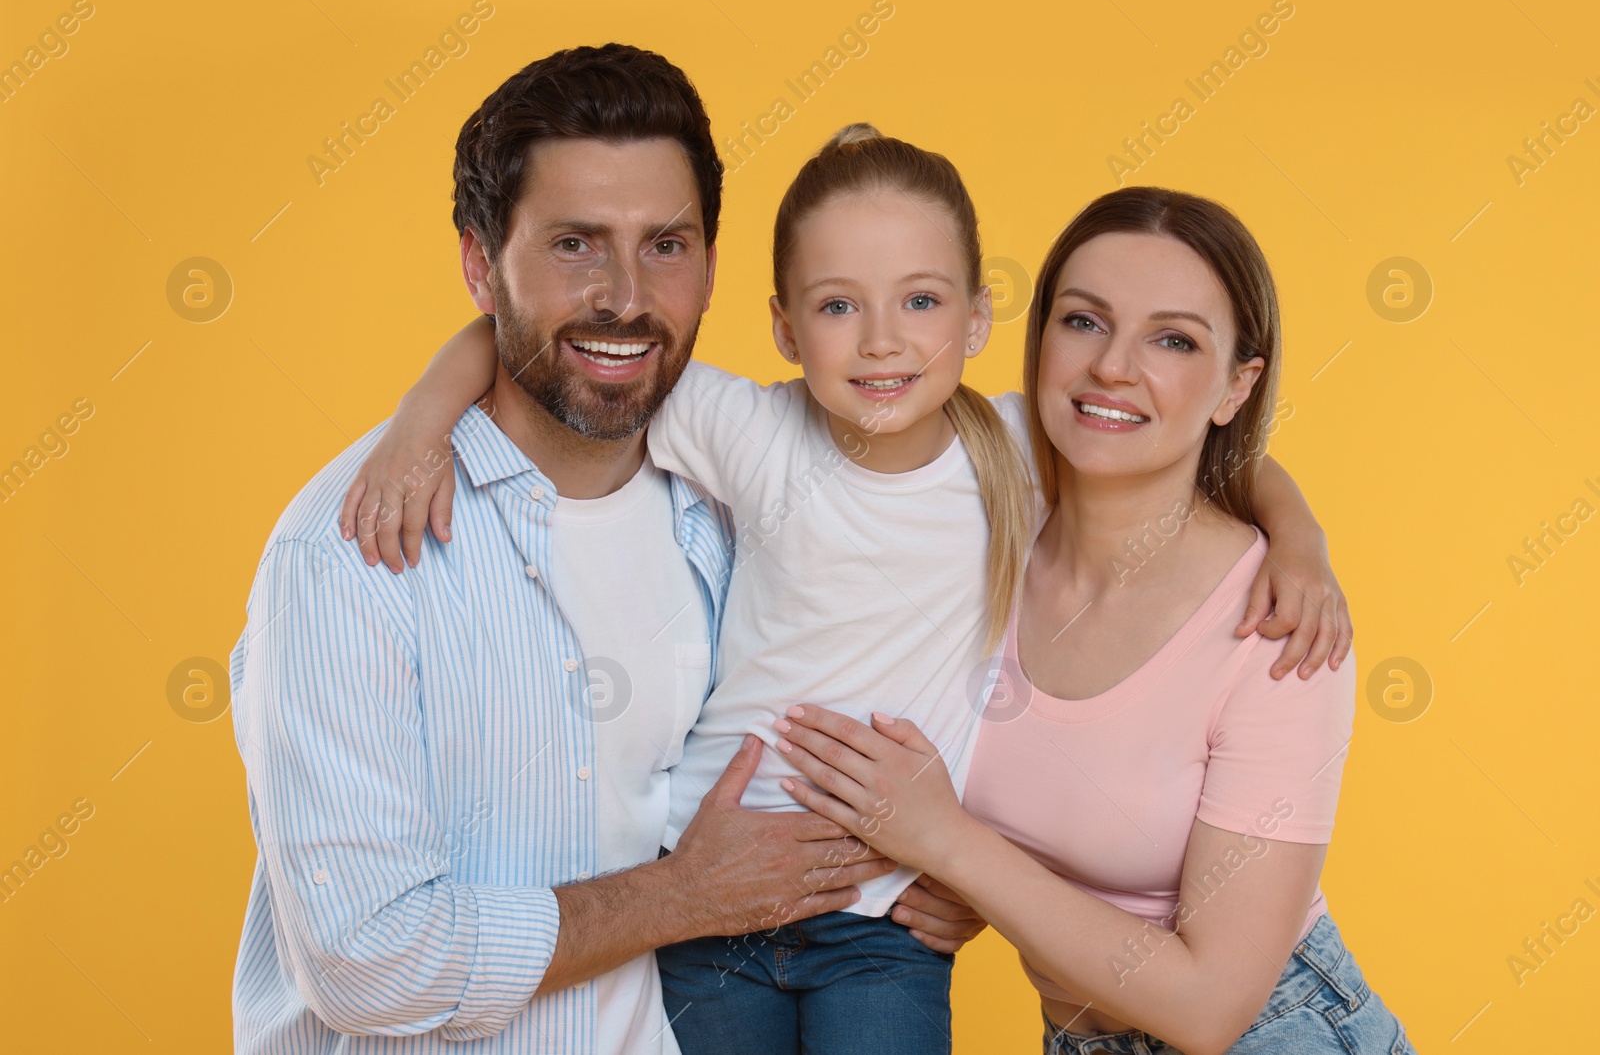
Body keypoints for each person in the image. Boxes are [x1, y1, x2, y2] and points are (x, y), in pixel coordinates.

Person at [342, 131, 1352, 1053]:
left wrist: (1296, 538)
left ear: (972, 318)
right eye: (838, 305)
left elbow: (1217, 450)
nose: (879, 340)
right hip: (720, 895)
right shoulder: (834, 445)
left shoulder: (1006, 457)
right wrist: (416, 426)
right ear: (785, 325)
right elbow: (551, 337)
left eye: (917, 300)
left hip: (955, 947)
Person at [229, 45, 926, 1055]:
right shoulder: (350, 548)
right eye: (573, 244)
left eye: (666, 245)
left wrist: (934, 882)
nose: (625, 295)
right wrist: (681, 895)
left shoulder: (749, 500)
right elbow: (366, 959)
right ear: (479, 263)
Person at [770, 187, 1414, 1055]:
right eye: (1083, 322)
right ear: (1036, 343)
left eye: (1174, 339)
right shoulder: (981, 517)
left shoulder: (1277, 632)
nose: (1114, 367)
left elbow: (1208, 1007)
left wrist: (954, 848)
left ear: (1237, 384)